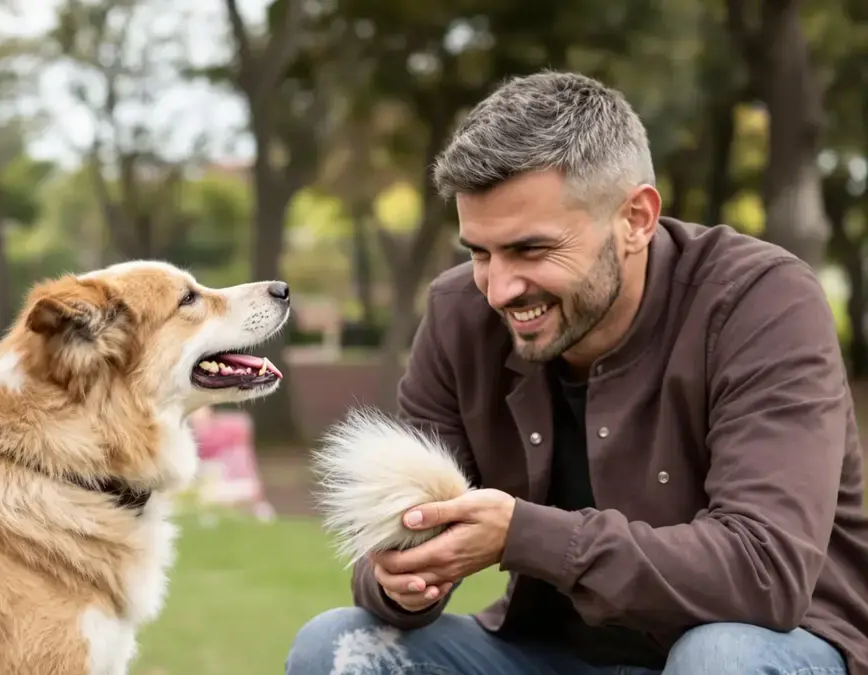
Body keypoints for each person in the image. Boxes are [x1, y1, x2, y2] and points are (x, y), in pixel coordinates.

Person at [287, 71, 868, 674]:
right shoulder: (459, 312)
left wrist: (524, 535)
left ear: (636, 219)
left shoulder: (762, 301)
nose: (499, 290)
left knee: (720, 656)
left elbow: (765, 573)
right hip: (550, 655)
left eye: (531, 249)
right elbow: (385, 553)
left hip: (774, 647)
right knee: (336, 646)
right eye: (480, 253)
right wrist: (401, 578)